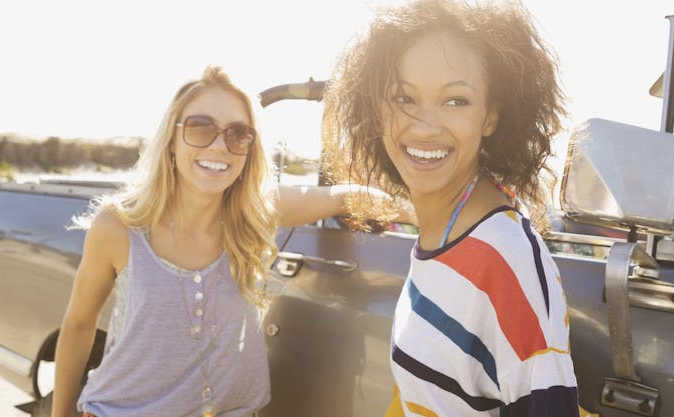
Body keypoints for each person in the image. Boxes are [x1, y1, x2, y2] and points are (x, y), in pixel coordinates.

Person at [52, 66, 376, 417]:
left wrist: (433, 217)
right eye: (200, 127)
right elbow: (79, 325)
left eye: (238, 134)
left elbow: (346, 197)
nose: (219, 146)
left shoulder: (257, 211)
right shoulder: (119, 226)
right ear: (172, 140)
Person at [322, 0, 579, 416]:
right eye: (404, 97)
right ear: (376, 111)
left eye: (455, 100)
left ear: (491, 117)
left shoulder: (503, 256)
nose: (425, 125)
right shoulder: (446, 229)